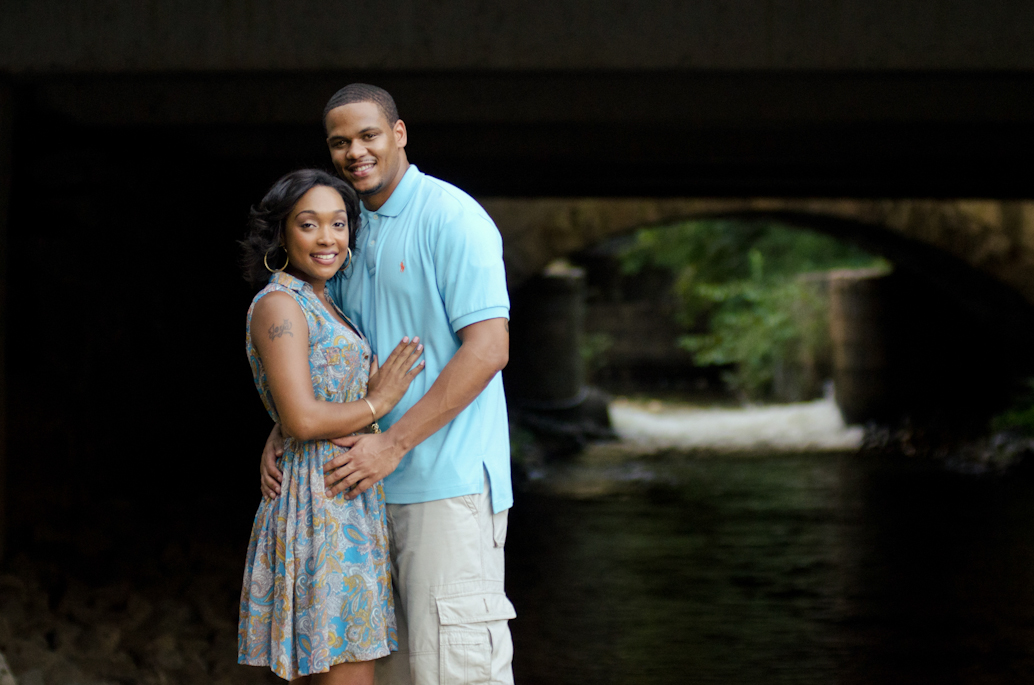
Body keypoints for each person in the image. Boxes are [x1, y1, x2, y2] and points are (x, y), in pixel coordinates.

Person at [259, 84, 516, 685]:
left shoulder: (452, 218)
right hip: (359, 495)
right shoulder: (347, 231)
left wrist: (393, 443)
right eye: (340, 142)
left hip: (442, 489)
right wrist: (285, 424)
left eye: (369, 135)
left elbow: (489, 350)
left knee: (457, 671)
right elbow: (334, 354)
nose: (355, 151)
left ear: (399, 135)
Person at [238, 169, 426, 684]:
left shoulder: (321, 300)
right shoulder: (280, 304)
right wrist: (378, 402)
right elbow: (302, 417)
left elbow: (300, 407)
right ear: (281, 233)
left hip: (343, 501)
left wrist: (283, 426)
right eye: (309, 224)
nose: (327, 238)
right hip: (315, 508)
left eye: (339, 224)